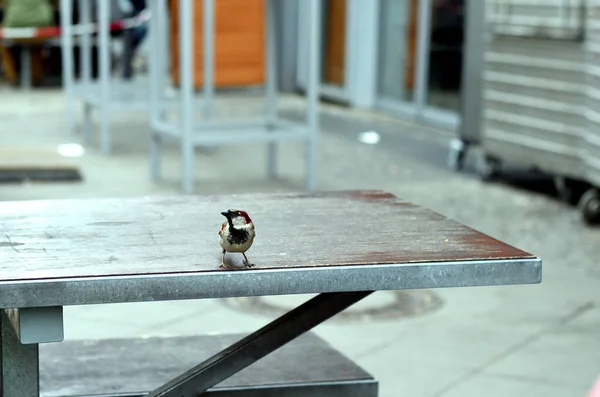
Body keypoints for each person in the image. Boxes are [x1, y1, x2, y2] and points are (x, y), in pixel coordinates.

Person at [0, 0, 55, 86]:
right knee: (37, 46)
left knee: (2, 42)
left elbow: (3, 3)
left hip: (14, 30)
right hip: (41, 30)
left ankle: (11, 77)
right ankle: (36, 76)